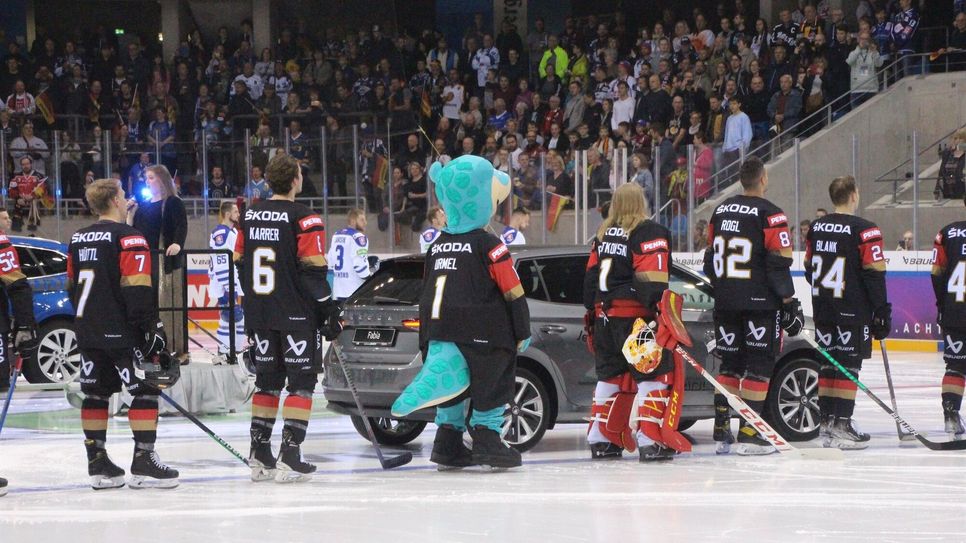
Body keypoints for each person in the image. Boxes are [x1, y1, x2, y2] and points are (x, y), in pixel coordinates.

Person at [391, 155, 530, 470]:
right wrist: (522, 329)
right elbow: (513, 290)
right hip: (481, 331)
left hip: (438, 330)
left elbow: (427, 288)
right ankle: (487, 440)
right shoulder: (490, 245)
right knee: (493, 379)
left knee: (454, 385)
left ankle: (448, 441)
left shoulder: (437, 245)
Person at [235, 154, 341, 482]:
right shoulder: (305, 218)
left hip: (260, 314)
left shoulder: (249, 217)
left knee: (267, 381)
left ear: (269, 181)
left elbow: (239, 261)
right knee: (301, 382)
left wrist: (255, 302)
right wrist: (328, 310)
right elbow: (313, 270)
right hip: (296, 315)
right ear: (296, 180)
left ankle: (260, 453)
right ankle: (291, 455)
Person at [69, 178, 177, 489]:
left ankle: (97, 462)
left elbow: (71, 285)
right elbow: (138, 289)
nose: (127, 196)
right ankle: (144, 460)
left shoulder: (78, 239)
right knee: (145, 390)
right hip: (122, 331)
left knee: (95, 393)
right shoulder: (131, 238)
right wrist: (150, 329)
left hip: (87, 329)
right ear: (116, 200)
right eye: (123, 193)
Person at [703, 156, 803, 455]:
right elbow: (780, 260)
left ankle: (722, 427)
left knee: (730, 363)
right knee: (760, 364)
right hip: (760, 303)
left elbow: (709, 258)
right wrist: (788, 301)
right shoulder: (771, 214)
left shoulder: (720, 211)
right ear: (763, 179)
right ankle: (751, 431)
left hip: (726, 300)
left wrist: (724, 287)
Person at [583, 182, 688, 462]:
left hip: (604, 319)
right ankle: (651, 438)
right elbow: (651, 282)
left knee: (611, 377)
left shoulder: (602, 235)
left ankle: (601, 438)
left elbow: (590, 279)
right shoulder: (648, 232)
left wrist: (592, 314)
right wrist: (661, 315)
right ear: (640, 202)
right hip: (635, 321)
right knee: (654, 375)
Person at [805, 176, 890, 449]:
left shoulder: (816, 227)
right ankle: (842, 423)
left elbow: (809, 267)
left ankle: (826, 424)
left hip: (823, 308)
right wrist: (881, 310)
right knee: (849, 364)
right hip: (852, 310)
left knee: (828, 363)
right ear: (854, 194)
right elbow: (874, 274)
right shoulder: (866, 230)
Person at [127, 165, 189, 364]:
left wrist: (178, 243)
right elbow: (132, 231)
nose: (147, 181)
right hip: (145, 261)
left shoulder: (172, 202)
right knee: (147, 303)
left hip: (164, 261)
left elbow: (181, 225)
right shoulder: (142, 205)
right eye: (146, 178)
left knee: (166, 303)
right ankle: (148, 345)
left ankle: (172, 346)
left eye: (151, 177)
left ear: (162, 179)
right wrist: (129, 212)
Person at [931, 193, 966, 439]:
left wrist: (943, 305)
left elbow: (936, 274)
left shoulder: (947, 233)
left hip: (955, 311)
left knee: (955, 365)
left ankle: (951, 417)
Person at [209, 201, 245, 364]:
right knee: (235, 318)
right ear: (228, 214)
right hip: (226, 285)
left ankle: (228, 352)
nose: (238, 214)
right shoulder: (222, 233)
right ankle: (227, 352)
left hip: (230, 283)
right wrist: (229, 287)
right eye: (236, 211)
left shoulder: (231, 232)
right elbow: (222, 262)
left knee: (229, 319)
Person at [326, 209, 372, 302]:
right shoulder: (359, 237)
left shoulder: (336, 235)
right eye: (362, 220)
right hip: (355, 290)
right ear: (353, 221)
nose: (365, 223)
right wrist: (370, 279)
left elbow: (330, 261)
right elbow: (360, 266)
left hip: (339, 290)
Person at [9, 156, 45, 232]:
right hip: (20, 200)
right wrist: (18, 197)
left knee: (33, 203)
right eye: (23, 164)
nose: (26, 166)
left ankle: (32, 225)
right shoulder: (16, 177)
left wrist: (33, 196)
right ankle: (17, 226)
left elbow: (42, 189)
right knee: (18, 204)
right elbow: (12, 190)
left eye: (27, 164)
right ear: (21, 166)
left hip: (34, 200)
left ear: (31, 164)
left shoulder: (39, 176)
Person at [935, 129, 965, 200]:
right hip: (947, 192)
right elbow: (941, 172)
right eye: (953, 138)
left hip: (962, 192)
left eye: (957, 138)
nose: (954, 141)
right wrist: (937, 190)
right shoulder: (947, 153)